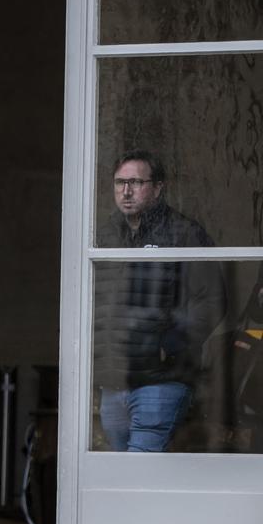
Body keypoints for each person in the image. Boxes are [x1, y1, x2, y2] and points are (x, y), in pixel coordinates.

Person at [93, 149, 226, 452]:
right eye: (119, 182)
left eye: (136, 182)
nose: (126, 191)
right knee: (120, 471)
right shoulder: (105, 235)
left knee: (140, 464)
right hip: (114, 380)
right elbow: (93, 296)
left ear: (158, 187)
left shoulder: (183, 233)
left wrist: (171, 345)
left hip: (162, 380)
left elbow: (213, 298)